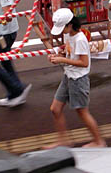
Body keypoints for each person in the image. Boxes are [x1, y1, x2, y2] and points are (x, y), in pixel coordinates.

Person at [45, 8, 106, 148]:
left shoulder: (80, 39)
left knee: (82, 112)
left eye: (62, 28)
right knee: (55, 109)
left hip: (79, 79)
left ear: (70, 25)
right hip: (68, 76)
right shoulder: (69, 35)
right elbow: (67, 48)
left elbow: (84, 63)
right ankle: (63, 141)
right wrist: (57, 52)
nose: (61, 31)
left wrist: (62, 60)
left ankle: (99, 141)